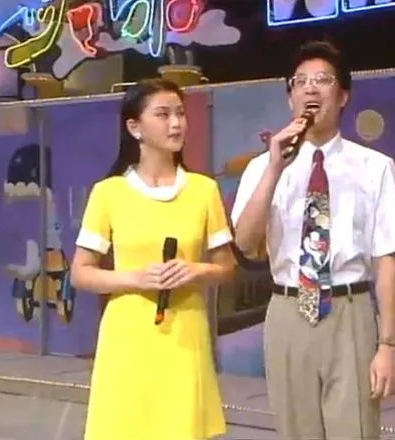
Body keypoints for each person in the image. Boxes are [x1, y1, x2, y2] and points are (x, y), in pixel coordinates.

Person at [231, 41, 395, 440]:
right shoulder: (262, 167)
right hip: (286, 309)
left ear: (343, 95)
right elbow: (245, 245)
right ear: (290, 98)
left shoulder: (375, 167)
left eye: (322, 80)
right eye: (300, 82)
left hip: (349, 311)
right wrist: (274, 169)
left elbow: (387, 260)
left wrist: (388, 345)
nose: (310, 89)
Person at [71, 79, 235, 440]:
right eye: (163, 114)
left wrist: (195, 270)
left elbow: (226, 268)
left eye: (180, 114)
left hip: (186, 334)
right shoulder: (108, 193)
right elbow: (81, 273)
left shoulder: (203, 190)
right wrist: (135, 278)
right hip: (127, 336)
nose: (176, 124)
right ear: (135, 127)